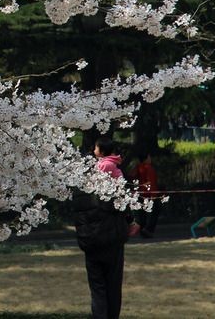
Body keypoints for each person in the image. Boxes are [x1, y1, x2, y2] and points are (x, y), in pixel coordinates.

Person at [73, 136, 128, 319]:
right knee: (113, 286)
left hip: (92, 243)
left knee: (97, 288)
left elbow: (79, 218)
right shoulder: (112, 197)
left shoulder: (82, 194)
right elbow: (123, 208)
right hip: (111, 241)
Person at [134, 151, 160, 238]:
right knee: (154, 212)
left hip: (139, 193)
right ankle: (148, 229)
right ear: (147, 158)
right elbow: (151, 182)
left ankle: (143, 230)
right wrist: (154, 195)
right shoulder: (149, 168)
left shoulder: (137, 167)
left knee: (141, 214)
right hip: (148, 194)